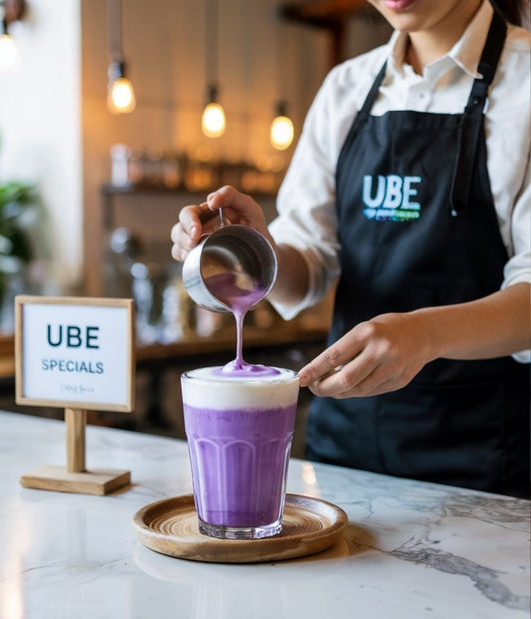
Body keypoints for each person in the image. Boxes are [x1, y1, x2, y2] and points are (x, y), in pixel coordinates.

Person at [170, 0, 530, 497]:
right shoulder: (347, 87)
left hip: (485, 459)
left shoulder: (524, 83)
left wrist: (425, 334)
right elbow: (308, 265)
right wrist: (256, 249)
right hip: (345, 452)